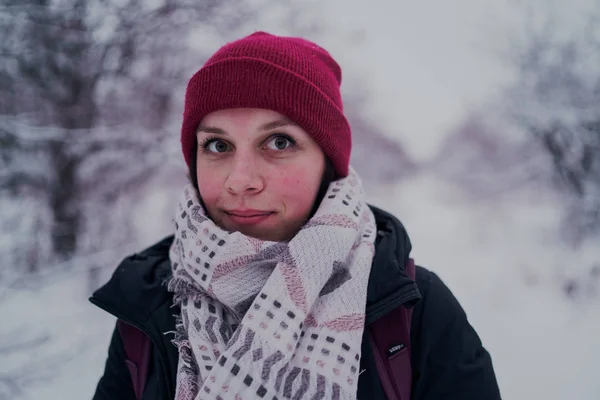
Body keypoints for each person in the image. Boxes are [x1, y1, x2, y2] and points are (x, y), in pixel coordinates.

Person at [90, 32, 501, 400]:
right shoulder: (147, 306)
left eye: (279, 141)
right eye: (217, 146)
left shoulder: (416, 312)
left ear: (328, 164)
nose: (240, 181)